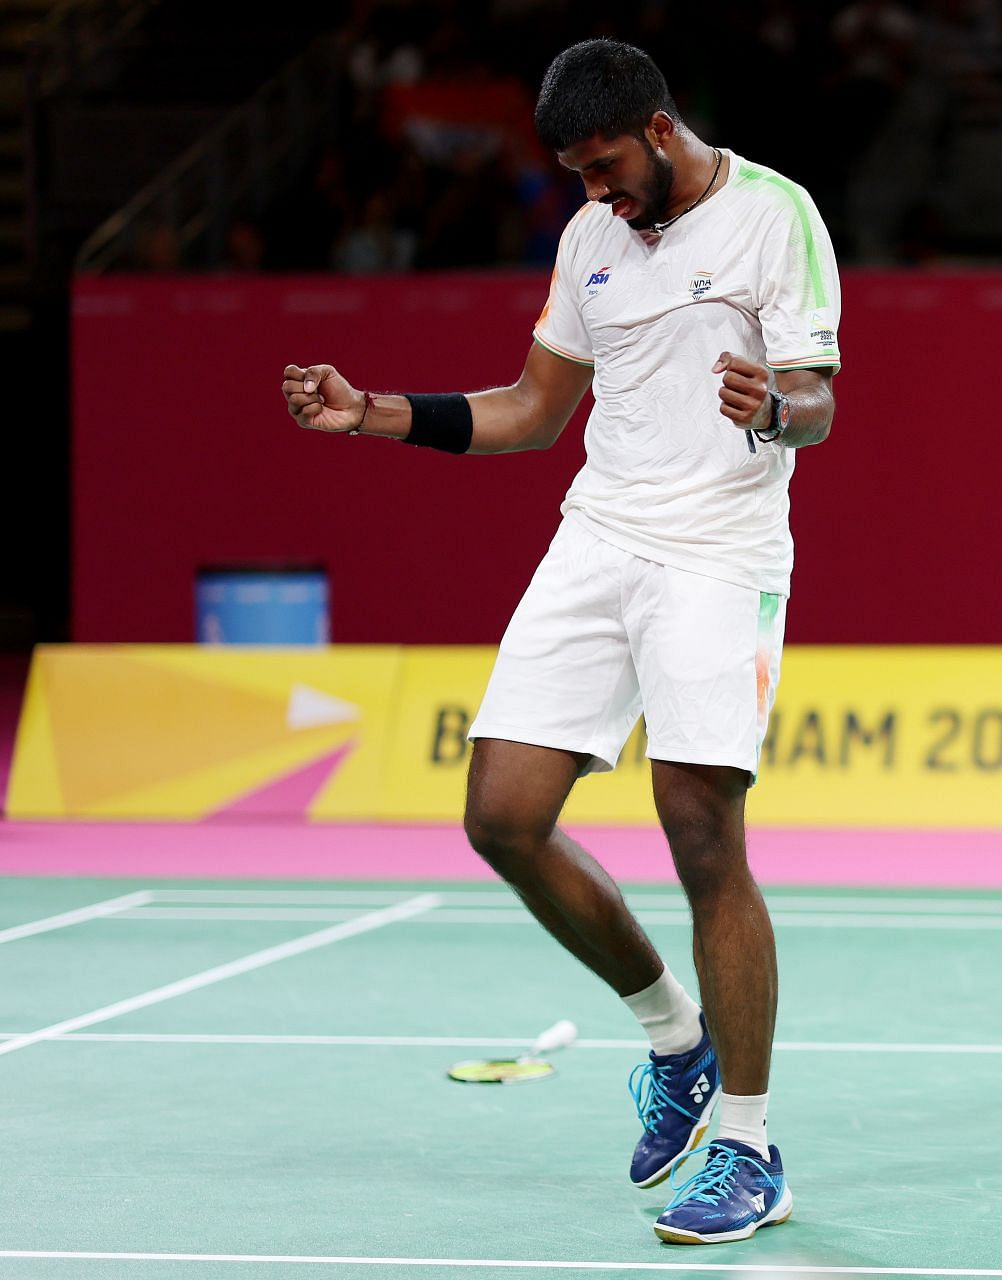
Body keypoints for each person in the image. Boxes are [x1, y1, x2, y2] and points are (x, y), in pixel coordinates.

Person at [279, 38, 841, 1244]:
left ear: (657, 123)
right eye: (578, 175)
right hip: (597, 539)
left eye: (605, 167)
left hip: (718, 553)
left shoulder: (773, 215)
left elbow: (821, 403)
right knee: (503, 813)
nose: (595, 192)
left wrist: (774, 409)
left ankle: (749, 1143)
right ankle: (675, 1039)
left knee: (700, 827)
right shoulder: (592, 239)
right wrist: (370, 414)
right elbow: (533, 412)